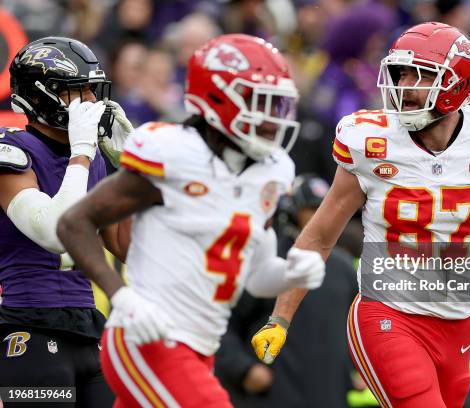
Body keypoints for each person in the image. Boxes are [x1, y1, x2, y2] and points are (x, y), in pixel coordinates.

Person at [251, 22, 470, 408]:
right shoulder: (370, 140)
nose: (405, 85)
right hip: (387, 314)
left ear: (458, 83)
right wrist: (280, 318)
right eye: (401, 73)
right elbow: (320, 235)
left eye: (422, 75)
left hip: (456, 321)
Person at [57, 34, 326, 407]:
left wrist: (291, 274)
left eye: (276, 102)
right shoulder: (173, 153)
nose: (271, 117)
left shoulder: (272, 171)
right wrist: (122, 296)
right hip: (148, 339)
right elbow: (74, 223)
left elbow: (257, 276)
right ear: (217, 97)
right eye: (257, 101)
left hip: (202, 344)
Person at [0, 37, 131, 406]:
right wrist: (82, 154)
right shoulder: (12, 153)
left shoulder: (95, 159)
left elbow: (126, 247)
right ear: (39, 97)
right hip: (29, 328)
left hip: (89, 330)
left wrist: (137, 174)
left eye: (93, 90)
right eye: (77, 92)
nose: (91, 101)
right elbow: (56, 232)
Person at [216, 174, 358, 408]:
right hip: (271, 398)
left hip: (329, 397)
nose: (322, 217)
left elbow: (360, 327)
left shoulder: (344, 268)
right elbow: (222, 322)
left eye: (326, 209)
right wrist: (243, 369)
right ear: (291, 212)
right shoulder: (265, 262)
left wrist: (357, 369)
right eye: (312, 210)